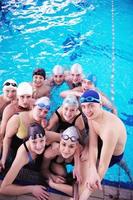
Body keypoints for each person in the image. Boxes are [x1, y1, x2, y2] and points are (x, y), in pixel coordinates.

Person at [78, 89, 127, 200]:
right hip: (102, 143)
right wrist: (92, 168)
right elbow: (93, 144)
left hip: (113, 155)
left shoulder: (109, 130)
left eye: (91, 105)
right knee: (86, 165)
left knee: (89, 178)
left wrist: (94, 175)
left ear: (100, 105)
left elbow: (103, 165)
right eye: (84, 106)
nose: (87, 110)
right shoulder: (91, 116)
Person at [0, 122, 49, 200]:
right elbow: (3, 189)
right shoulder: (23, 155)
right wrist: (31, 189)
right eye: (34, 142)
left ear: (45, 138)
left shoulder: (48, 136)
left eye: (42, 141)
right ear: (29, 140)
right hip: (11, 163)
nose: (39, 146)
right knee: (38, 178)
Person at [0, 96, 51, 171]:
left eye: (45, 112)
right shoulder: (17, 118)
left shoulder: (42, 122)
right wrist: (3, 159)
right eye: (40, 109)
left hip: (29, 155)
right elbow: (7, 138)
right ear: (33, 106)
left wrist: (44, 128)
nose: (42, 114)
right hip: (13, 153)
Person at [42, 126, 82, 197]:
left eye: (71, 146)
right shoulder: (51, 152)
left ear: (76, 147)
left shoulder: (81, 153)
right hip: (55, 165)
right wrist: (52, 177)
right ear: (60, 142)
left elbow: (79, 192)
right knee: (61, 173)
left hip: (68, 161)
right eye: (63, 144)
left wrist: (53, 185)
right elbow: (43, 169)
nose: (66, 150)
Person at [0, 82, 34, 149]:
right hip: (13, 139)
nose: (25, 101)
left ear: (32, 96)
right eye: (22, 97)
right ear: (17, 96)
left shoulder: (35, 106)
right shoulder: (10, 109)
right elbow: (2, 132)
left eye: (28, 97)